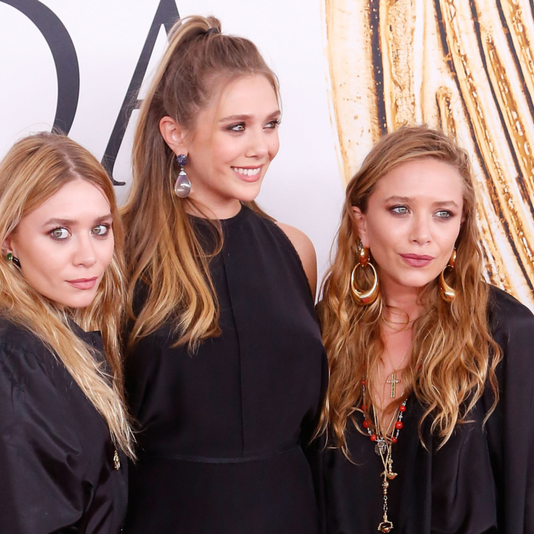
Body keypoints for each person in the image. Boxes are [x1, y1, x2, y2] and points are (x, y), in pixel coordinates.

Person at [119, 15, 327, 533]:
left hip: (291, 513)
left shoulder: (294, 250)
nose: (262, 147)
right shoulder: (119, 250)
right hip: (165, 516)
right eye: (237, 127)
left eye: (271, 124)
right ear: (176, 133)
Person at [316, 126, 534, 533]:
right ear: (361, 223)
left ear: (461, 226)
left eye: (443, 213)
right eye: (399, 209)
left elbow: (531, 505)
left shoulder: (503, 333)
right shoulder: (328, 326)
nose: (422, 235)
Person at [0, 132, 134, 533]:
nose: (88, 257)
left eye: (100, 229)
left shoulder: (59, 333)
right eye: (59, 233)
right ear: (9, 239)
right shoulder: (13, 363)